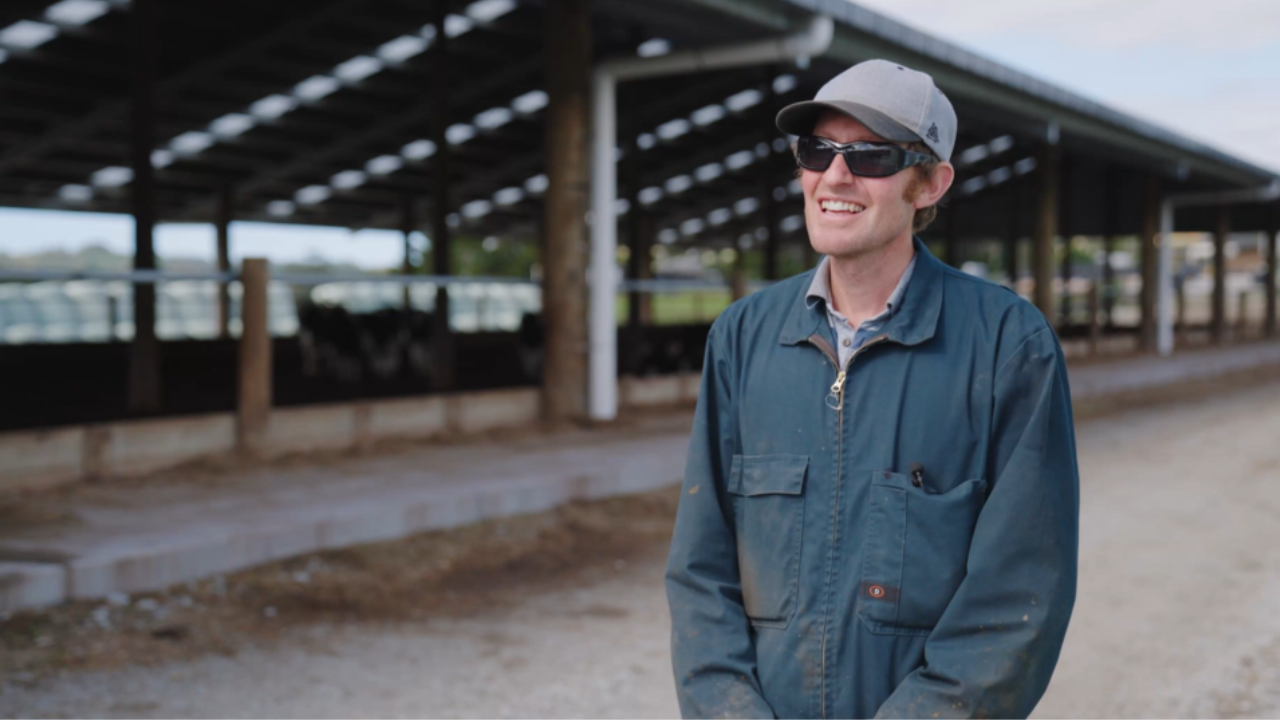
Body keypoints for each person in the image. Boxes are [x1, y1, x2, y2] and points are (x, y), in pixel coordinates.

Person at [665, 59, 1079, 719]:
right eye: (817, 151)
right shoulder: (742, 338)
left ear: (930, 183)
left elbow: (1019, 593)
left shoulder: (1008, 345)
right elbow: (700, 568)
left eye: (871, 156)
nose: (835, 176)